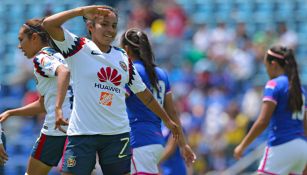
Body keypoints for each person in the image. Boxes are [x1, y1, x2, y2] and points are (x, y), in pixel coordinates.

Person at [42, 5, 181, 175]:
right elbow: (48, 24)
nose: (110, 30)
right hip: (82, 134)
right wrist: (80, 12)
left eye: (114, 25)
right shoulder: (78, 47)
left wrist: (167, 120)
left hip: (117, 136)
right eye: (105, 24)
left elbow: (145, 95)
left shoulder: (122, 57)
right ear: (90, 26)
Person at [0, 18, 72, 175]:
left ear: (34, 38)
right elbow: (44, 104)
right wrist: (11, 112)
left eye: (21, 40)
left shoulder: (41, 58)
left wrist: (58, 108)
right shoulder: (59, 56)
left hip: (57, 128)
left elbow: (64, 73)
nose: (19, 46)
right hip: (77, 128)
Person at [120, 28, 195, 175]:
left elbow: (117, 102)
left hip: (138, 139)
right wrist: (183, 144)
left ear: (127, 49)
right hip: (156, 140)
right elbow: (172, 112)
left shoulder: (132, 71)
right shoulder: (161, 74)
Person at [234, 46, 307, 174]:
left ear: (273, 64)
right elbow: (305, 126)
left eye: (266, 65)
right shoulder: (300, 90)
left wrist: (242, 146)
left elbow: (263, 121)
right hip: (302, 149)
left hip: (282, 145)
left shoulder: (274, 84)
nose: (266, 69)